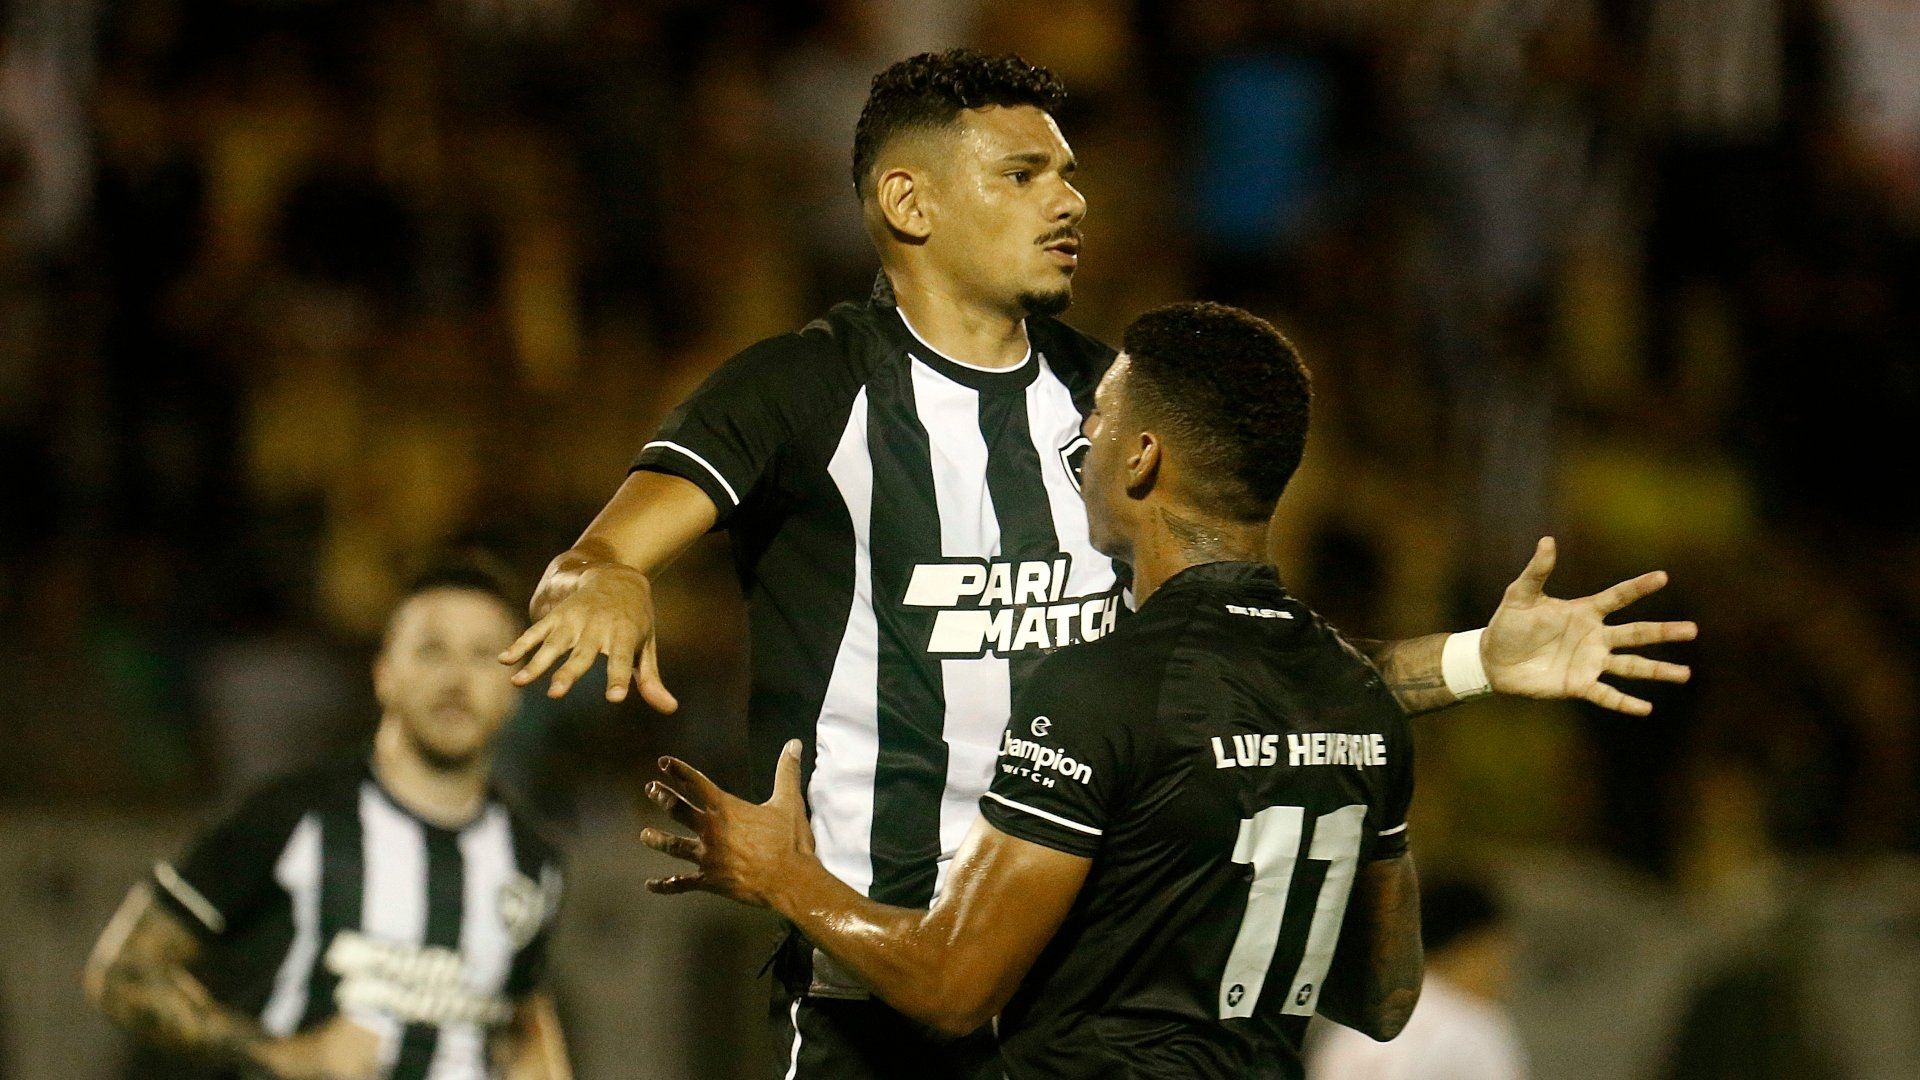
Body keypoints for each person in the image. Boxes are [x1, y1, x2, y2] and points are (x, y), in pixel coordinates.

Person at [500, 50, 1693, 1079]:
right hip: (879, 990)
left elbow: (1243, 678)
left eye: (1070, 172)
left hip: (1088, 1009)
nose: (1071, 198)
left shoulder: (1116, 408)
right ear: (906, 201)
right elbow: (602, 547)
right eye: (1025, 174)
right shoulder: (804, 390)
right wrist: (603, 575)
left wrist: (1481, 660)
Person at [637, 302, 1421, 1079]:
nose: (1083, 440)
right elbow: (1382, 996)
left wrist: (786, 877)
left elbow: (952, 986)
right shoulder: (1357, 698)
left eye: (1102, 419)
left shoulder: (1097, 689)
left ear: (1143, 459)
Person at [85, 558, 572, 1080]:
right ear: (384, 673)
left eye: (483, 655)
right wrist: (283, 1057)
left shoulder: (532, 857)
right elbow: (125, 972)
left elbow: (521, 1021)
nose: (456, 678)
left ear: (517, 688)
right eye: (432, 650)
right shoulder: (294, 815)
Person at [1309, 875, 1531, 1080]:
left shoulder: (1353, 1028)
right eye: (1501, 951)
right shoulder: (1473, 1028)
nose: (1504, 971)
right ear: (1474, 946)